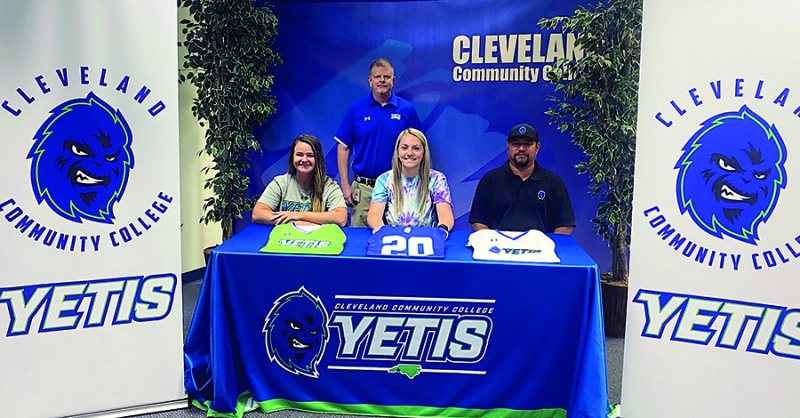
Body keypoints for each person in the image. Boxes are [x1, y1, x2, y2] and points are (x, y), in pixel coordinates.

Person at [335, 58, 422, 227]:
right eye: (377, 77)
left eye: (386, 77)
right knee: (361, 245)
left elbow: (419, 147)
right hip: (364, 189)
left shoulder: (406, 110)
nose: (382, 80)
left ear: (393, 81)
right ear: (370, 81)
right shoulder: (356, 109)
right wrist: (345, 185)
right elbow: (343, 147)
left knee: (397, 241)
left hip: (398, 188)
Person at [469, 123, 576, 234]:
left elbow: (565, 225)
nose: (521, 149)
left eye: (527, 144)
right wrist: (491, 244)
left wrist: (549, 247)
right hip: (498, 248)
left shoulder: (553, 182)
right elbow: (478, 222)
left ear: (537, 147)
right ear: (508, 146)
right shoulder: (489, 180)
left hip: (541, 249)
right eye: (516, 144)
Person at [366, 128, 454, 235]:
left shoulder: (437, 179)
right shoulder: (384, 180)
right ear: (398, 152)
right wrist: (380, 228)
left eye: (416, 148)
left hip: (427, 237)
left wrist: (442, 230)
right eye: (404, 148)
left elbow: (446, 216)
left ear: (423, 153)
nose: (409, 153)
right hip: (393, 237)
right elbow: (374, 215)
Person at [252, 134, 347, 227]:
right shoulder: (281, 183)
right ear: (292, 157)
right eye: (299, 155)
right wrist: (297, 224)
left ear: (318, 159)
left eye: (310, 155)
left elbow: (341, 218)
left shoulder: (329, 186)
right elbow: (258, 214)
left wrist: (298, 215)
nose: (304, 159)